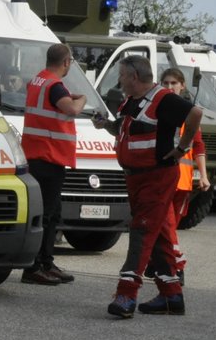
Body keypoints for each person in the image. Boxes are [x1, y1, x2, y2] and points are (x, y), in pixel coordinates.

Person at [99, 55, 202, 318]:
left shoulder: (163, 99)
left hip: (156, 177)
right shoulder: (131, 100)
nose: (119, 81)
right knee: (158, 237)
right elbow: (127, 130)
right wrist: (107, 126)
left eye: (121, 75)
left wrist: (182, 148)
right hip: (136, 177)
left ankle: (126, 294)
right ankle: (172, 296)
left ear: (134, 77)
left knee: (142, 232)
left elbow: (195, 113)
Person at [19, 44, 87, 286]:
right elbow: (71, 109)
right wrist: (82, 99)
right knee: (47, 214)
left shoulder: (38, 80)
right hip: (49, 156)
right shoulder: (55, 86)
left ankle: (46, 262)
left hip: (37, 154)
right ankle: (35, 267)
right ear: (66, 62)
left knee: (51, 212)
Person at [161, 67, 209, 239]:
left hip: (182, 181)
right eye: (166, 83)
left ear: (182, 86)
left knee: (171, 226)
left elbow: (198, 145)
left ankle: (166, 261)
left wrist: (203, 175)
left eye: (174, 83)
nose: (170, 86)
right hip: (161, 180)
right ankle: (168, 262)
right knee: (164, 226)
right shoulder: (155, 110)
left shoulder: (190, 113)